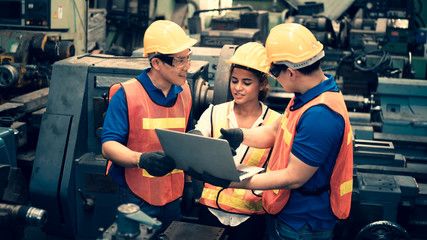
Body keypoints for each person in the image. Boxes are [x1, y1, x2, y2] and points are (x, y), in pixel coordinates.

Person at [218, 23, 354, 240]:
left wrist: (232, 181)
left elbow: (293, 177)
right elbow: (275, 132)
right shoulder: (307, 95)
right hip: (286, 212)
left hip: (301, 225)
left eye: (274, 71)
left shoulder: (320, 115)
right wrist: (241, 135)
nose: (273, 78)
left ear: (291, 72)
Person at [101, 20, 197, 231]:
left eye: (188, 57)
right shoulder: (126, 94)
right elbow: (108, 146)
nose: (187, 66)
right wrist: (141, 159)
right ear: (156, 63)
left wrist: (188, 184)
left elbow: (187, 140)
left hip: (172, 197)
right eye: (180, 60)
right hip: (136, 198)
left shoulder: (186, 93)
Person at [188, 42, 281, 240]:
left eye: (246, 82)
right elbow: (198, 136)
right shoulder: (214, 112)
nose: (238, 88)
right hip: (210, 211)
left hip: (251, 218)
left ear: (262, 84)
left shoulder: (275, 122)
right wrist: (192, 141)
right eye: (234, 80)